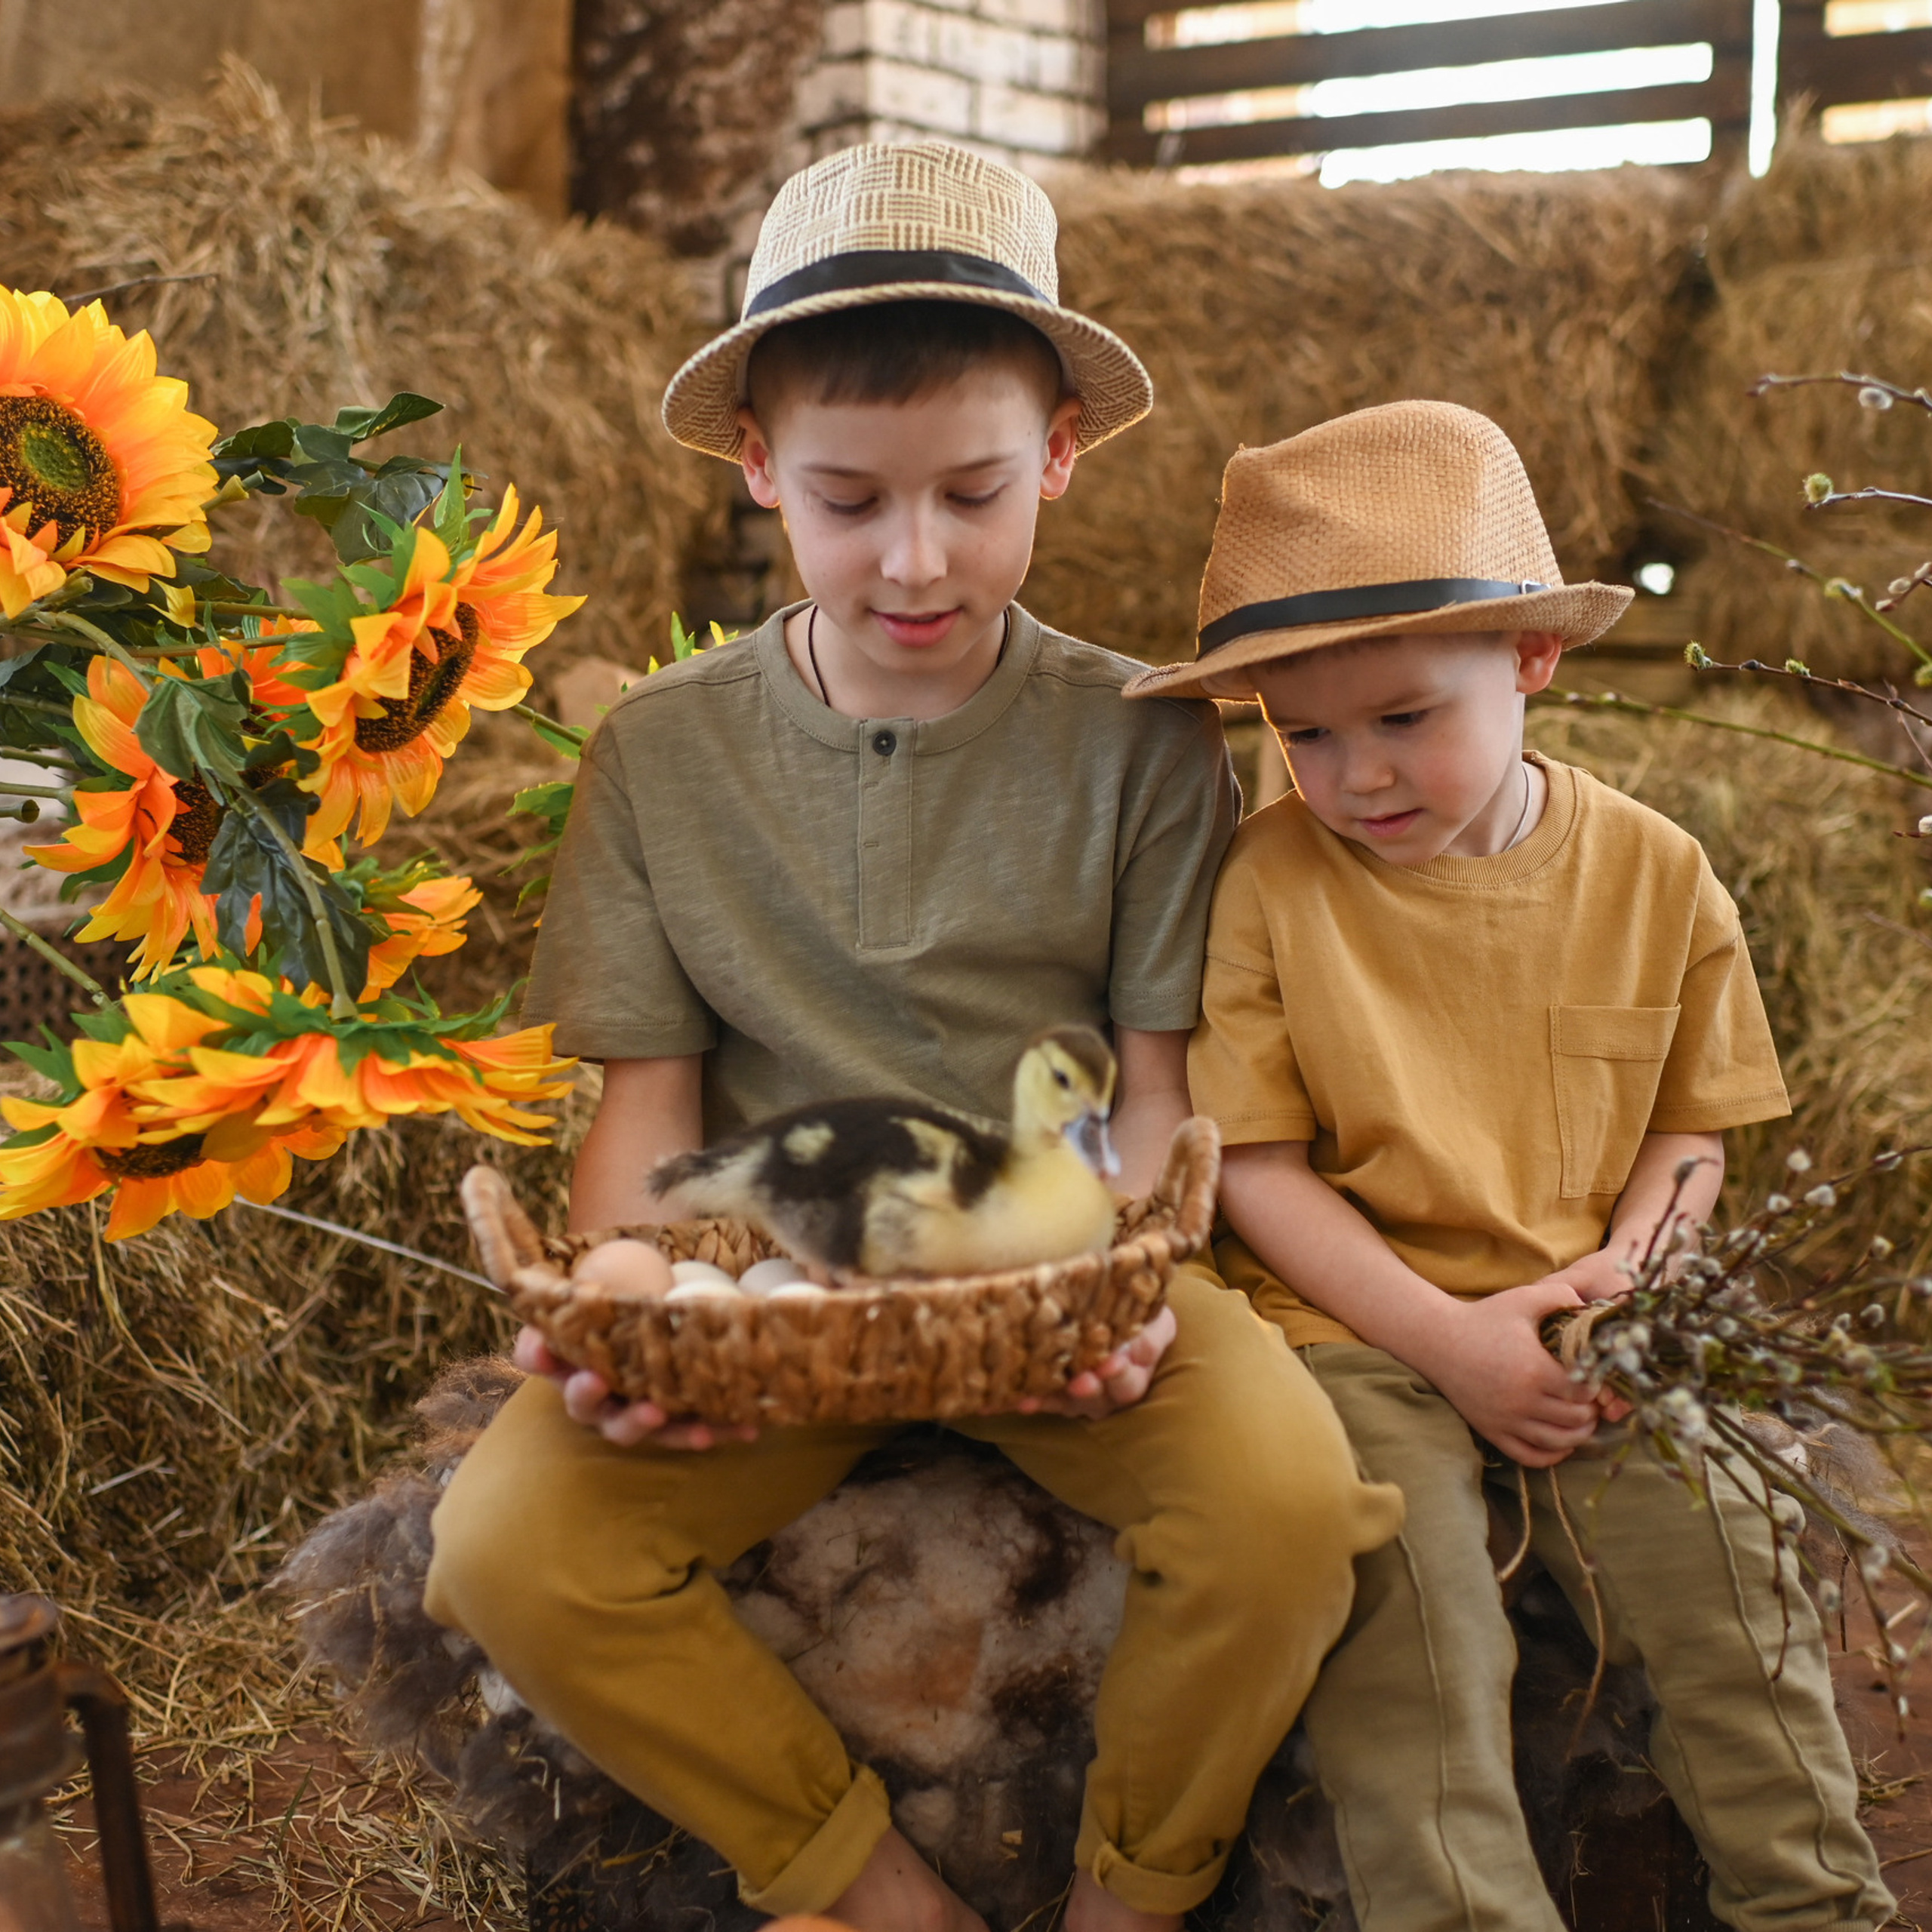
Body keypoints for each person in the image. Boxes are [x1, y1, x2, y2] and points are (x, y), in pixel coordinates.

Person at [424, 142, 1403, 1932]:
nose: (914, 556)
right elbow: (645, 1116)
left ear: (1057, 449)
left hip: (1062, 1263)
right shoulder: (660, 749)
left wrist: (1109, 1287)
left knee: (1284, 1508)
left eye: (969, 488)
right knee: (505, 1549)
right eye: (845, 498)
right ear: (752, 470)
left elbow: (1154, 1095)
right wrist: (623, 1290)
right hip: (775, 1285)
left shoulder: (1144, 739)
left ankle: (1133, 1891)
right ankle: (872, 1892)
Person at [1126, 398, 1894, 1932]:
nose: (1353, 776)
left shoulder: (1654, 871)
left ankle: (1809, 1900)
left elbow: (1689, 1133)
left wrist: (1632, 1274)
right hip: (1352, 1326)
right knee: (1406, 1631)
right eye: (1303, 732)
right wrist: (1450, 1345)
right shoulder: (1266, 882)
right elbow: (1258, 1172)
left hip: (1601, 1300)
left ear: (1533, 657)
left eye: (1402, 717)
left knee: (1727, 1579)